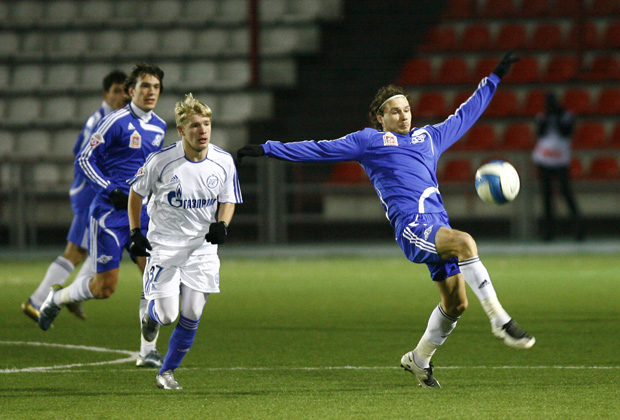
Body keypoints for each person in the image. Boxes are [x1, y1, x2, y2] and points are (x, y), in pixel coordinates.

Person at [237, 51, 535, 388]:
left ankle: (419, 359)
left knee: (456, 304)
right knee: (465, 243)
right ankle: (500, 320)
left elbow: (466, 114)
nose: (403, 115)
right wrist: (267, 148)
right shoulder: (369, 141)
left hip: (439, 226)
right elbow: (320, 149)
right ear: (380, 117)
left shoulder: (429, 138)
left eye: (406, 109)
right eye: (395, 111)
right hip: (413, 228)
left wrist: (495, 76)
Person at [38, 63, 167, 368]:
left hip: (142, 215)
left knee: (154, 278)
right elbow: (85, 159)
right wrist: (110, 189)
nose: (151, 92)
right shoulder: (114, 122)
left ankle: (147, 351)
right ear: (131, 91)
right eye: (145, 86)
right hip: (109, 215)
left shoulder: (160, 126)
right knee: (104, 288)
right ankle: (57, 298)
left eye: (156, 87)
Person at [127, 93, 241, 389]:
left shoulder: (223, 161)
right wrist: (135, 232)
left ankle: (166, 372)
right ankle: (151, 317)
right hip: (164, 248)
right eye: (195, 125)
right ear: (181, 130)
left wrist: (222, 224)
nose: (203, 131)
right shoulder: (161, 161)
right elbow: (135, 193)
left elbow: (228, 199)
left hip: (202, 250)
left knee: (193, 312)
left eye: (207, 124)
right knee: (167, 315)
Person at [22, 70, 128, 325]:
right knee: (76, 251)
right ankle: (36, 302)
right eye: (117, 91)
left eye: (125, 91)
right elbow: (84, 157)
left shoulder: (108, 119)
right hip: (91, 194)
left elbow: (76, 147)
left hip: (98, 193)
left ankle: (74, 295)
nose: (122, 96)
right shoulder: (102, 120)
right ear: (105, 94)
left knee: (101, 247)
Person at [532, 92, 583, 241]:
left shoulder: (567, 116)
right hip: (545, 160)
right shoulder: (542, 117)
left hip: (561, 161)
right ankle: (549, 231)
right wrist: (549, 118)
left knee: (567, 194)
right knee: (547, 196)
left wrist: (557, 118)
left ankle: (578, 229)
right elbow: (539, 133)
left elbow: (566, 132)